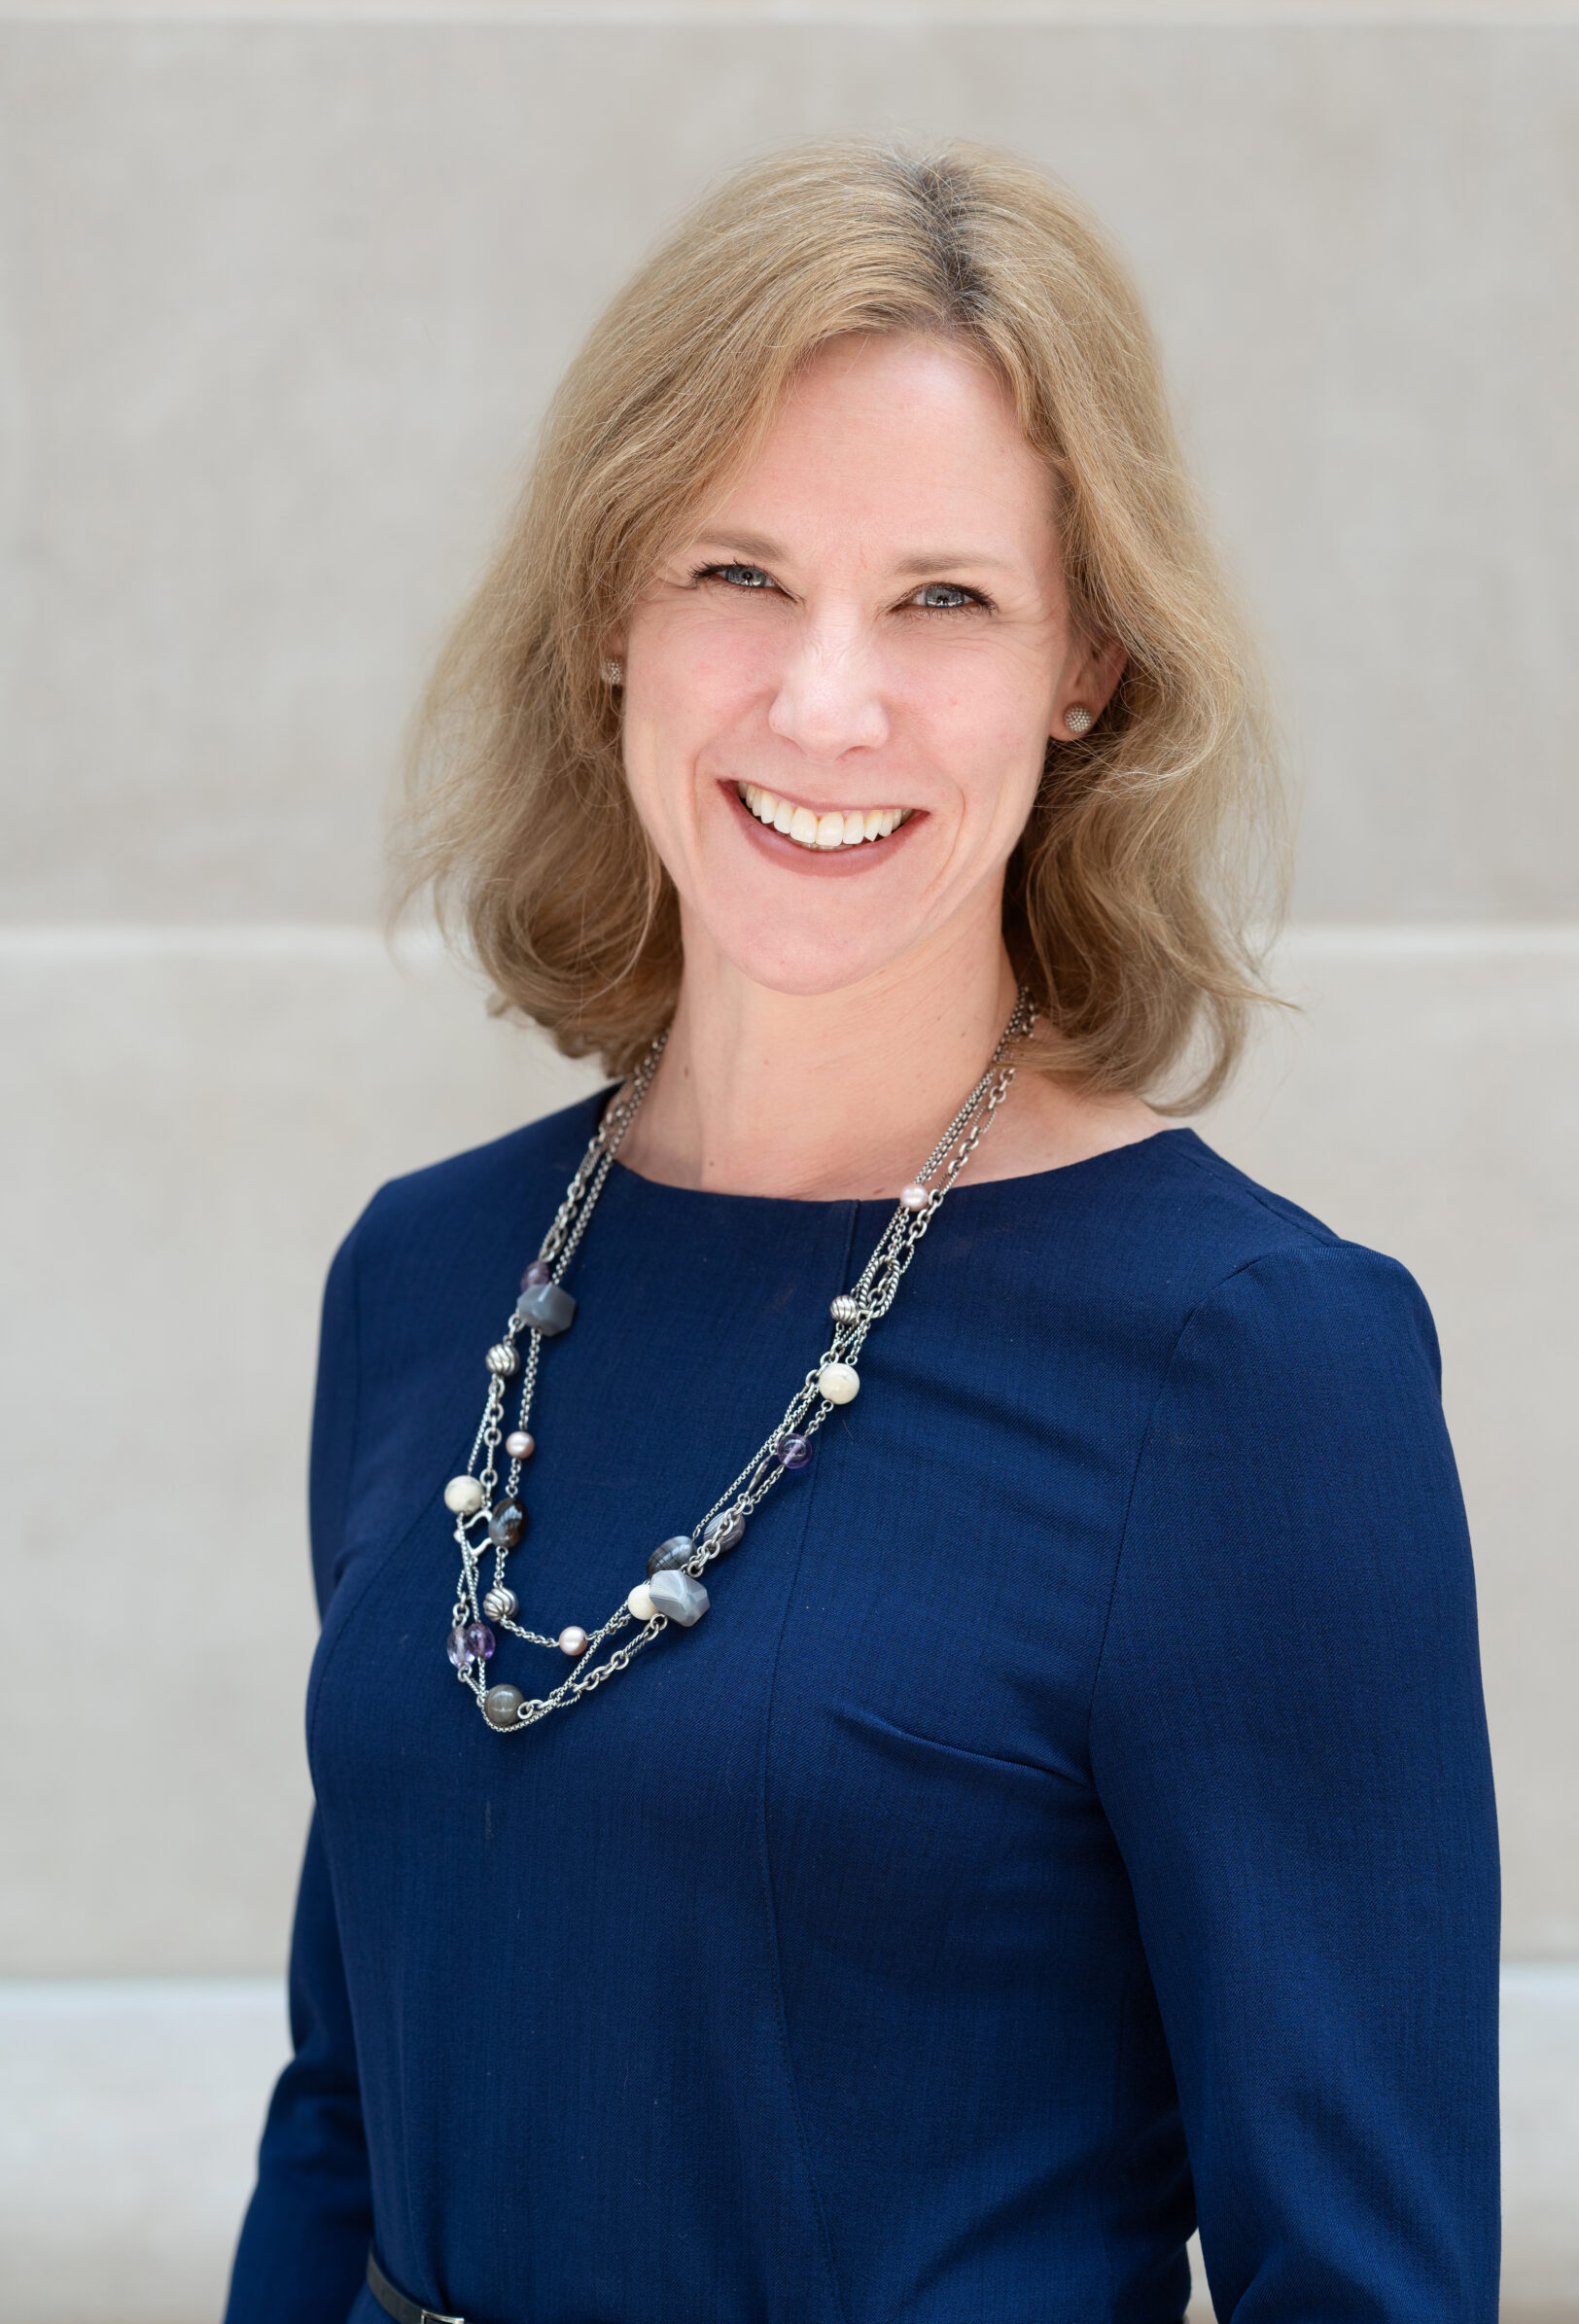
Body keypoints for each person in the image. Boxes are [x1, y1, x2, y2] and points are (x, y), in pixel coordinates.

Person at [226, 139, 1499, 2324]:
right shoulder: (429, 1283)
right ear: (609, 613)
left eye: (941, 598)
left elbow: (1360, 2279)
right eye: (735, 570)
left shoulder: (1248, 1364)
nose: (825, 703)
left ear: (1082, 664)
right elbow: (351, 2104)